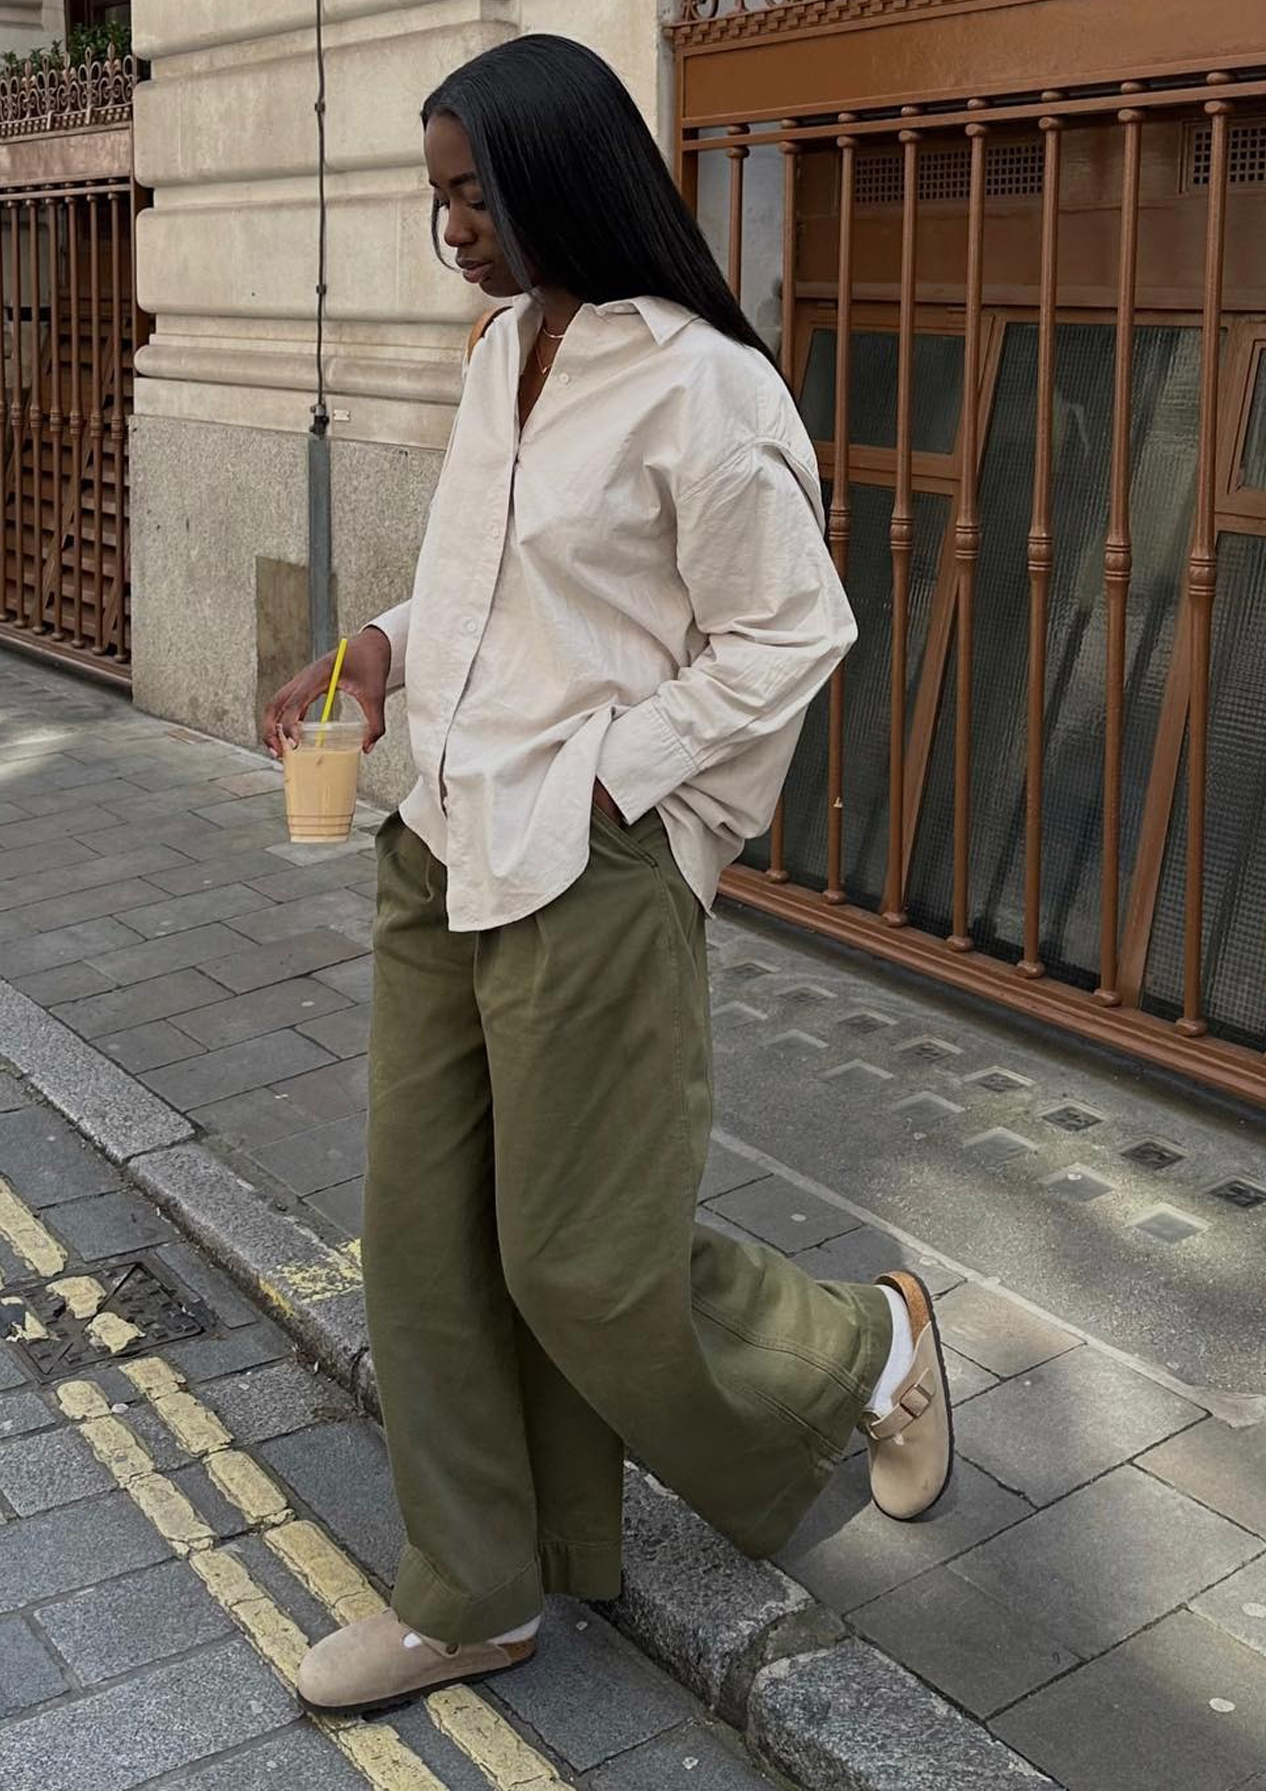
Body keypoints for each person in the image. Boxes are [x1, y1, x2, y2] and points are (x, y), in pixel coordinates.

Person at [264, 33, 953, 1716]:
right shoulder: (500, 354)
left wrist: (613, 785)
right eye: (437, 202)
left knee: (580, 1255)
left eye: (473, 196)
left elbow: (796, 634)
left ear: (560, 174)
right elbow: (495, 595)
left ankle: (864, 1348)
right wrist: (374, 650)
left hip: (591, 866)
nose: (456, 236)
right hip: (441, 842)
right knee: (421, 1243)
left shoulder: (703, 386)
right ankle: (474, 1593)